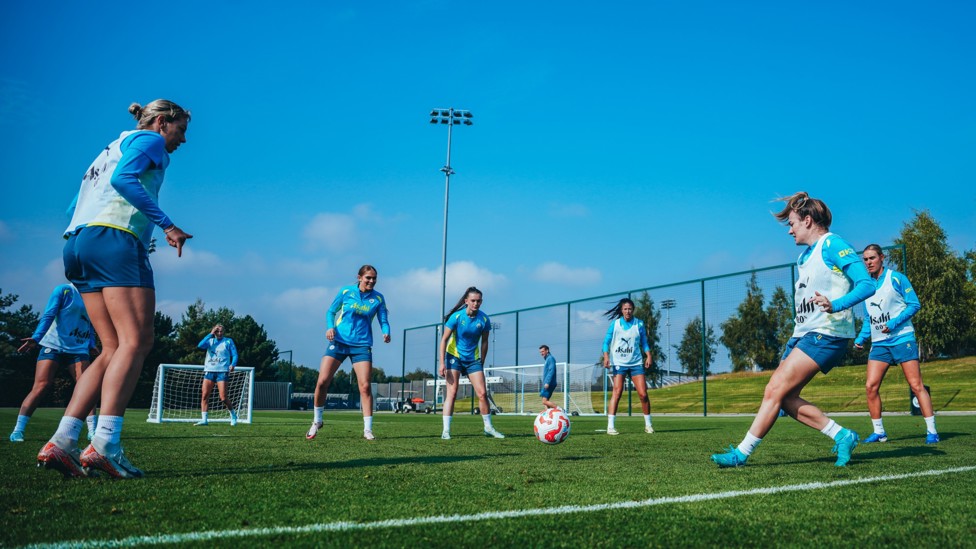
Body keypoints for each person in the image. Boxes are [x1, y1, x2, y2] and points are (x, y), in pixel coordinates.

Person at [37, 99, 192, 479]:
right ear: (160, 123)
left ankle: (62, 440)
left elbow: (77, 203)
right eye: (181, 130)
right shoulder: (150, 141)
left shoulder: (108, 148)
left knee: (110, 348)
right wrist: (166, 225)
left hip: (77, 243)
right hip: (114, 241)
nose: (183, 140)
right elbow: (125, 179)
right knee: (137, 342)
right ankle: (105, 444)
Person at [712, 191, 875, 468]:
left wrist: (835, 304)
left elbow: (866, 284)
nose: (789, 230)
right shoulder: (804, 258)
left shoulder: (832, 244)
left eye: (792, 223)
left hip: (828, 333)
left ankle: (741, 454)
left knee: (774, 388)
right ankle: (842, 435)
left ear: (808, 220)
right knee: (783, 397)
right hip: (804, 334)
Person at [854, 244, 939, 444]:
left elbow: (914, 304)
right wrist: (861, 338)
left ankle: (932, 431)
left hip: (902, 339)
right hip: (879, 344)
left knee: (916, 385)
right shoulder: (865, 286)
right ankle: (879, 432)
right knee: (870, 387)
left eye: (872, 258)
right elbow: (869, 318)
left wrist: (892, 324)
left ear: (882, 258)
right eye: (865, 259)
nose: (868, 262)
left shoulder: (896, 278)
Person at [307, 265, 391, 442]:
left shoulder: (378, 298)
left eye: (374, 278)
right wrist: (330, 327)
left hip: (361, 345)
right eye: (368, 277)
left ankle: (367, 429)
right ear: (359, 277)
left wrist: (386, 331)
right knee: (322, 382)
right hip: (339, 341)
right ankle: (317, 420)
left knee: (365, 386)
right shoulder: (346, 291)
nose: (371, 281)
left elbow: (383, 319)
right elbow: (331, 311)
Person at [10, 284, 98, 442]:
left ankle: (93, 431)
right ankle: (18, 430)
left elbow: (91, 323)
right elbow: (49, 314)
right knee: (41, 386)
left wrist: (92, 344)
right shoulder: (64, 290)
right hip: (53, 345)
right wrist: (36, 338)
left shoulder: (93, 295)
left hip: (78, 348)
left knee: (87, 387)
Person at [439, 287, 504, 440]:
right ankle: (446, 431)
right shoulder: (456, 317)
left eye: (479, 301)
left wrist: (481, 361)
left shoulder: (484, 319)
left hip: (473, 360)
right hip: (454, 357)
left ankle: (488, 428)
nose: (476, 303)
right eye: (473, 300)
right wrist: (442, 363)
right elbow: (444, 340)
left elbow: (485, 342)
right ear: (466, 301)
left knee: (482, 393)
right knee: (452, 393)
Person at [602, 298, 654, 435]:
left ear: (633, 310)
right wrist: (606, 357)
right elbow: (605, 342)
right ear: (621, 310)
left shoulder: (639, 324)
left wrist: (648, 355)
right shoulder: (615, 324)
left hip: (636, 363)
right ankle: (610, 426)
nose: (628, 311)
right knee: (617, 393)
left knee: (643, 394)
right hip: (619, 363)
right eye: (625, 309)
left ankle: (648, 425)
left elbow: (644, 342)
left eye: (630, 309)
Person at [195, 324, 240, 426]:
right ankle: (204, 420)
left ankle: (233, 415)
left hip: (222, 371)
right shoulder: (210, 341)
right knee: (204, 396)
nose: (219, 333)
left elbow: (235, 354)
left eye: (221, 331)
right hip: (209, 371)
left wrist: (233, 364)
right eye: (217, 331)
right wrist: (210, 333)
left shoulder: (228, 341)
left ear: (223, 332)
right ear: (214, 332)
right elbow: (200, 345)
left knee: (223, 397)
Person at [539, 345, 558, 410]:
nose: (541, 353)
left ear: (547, 350)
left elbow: (551, 370)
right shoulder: (547, 359)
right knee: (545, 400)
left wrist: (547, 382)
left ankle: (560, 410)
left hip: (549, 383)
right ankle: (547, 414)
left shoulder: (550, 358)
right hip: (548, 383)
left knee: (544, 401)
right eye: (540, 352)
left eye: (543, 351)